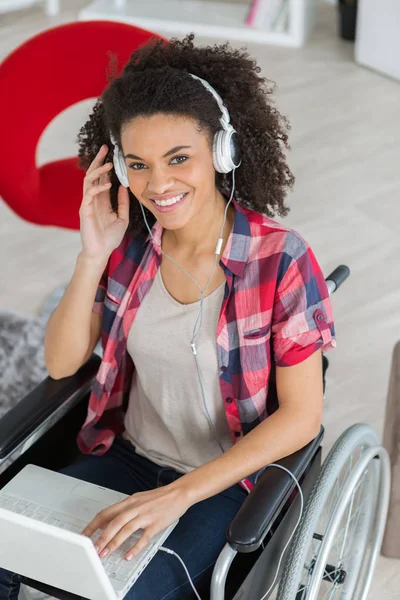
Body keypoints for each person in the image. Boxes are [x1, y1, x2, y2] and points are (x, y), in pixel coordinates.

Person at [0, 33, 336, 600]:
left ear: (222, 152)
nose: (158, 184)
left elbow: (302, 417)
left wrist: (179, 496)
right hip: (127, 459)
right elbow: (61, 362)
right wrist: (91, 255)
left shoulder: (281, 260)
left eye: (178, 158)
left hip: (224, 483)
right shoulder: (130, 248)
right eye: (139, 165)